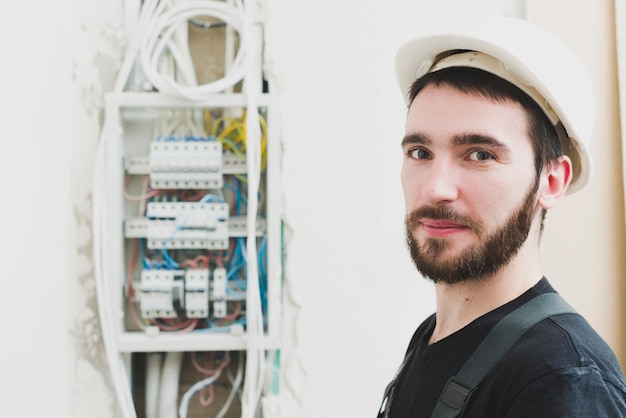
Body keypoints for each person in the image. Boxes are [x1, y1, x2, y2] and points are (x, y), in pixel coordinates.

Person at [377, 17, 626, 418]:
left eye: (480, 154)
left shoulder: (561, 378)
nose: (436, 188)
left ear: (551, 180)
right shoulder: (434, 337)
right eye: (420, 153)